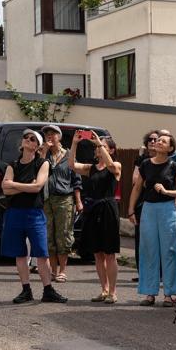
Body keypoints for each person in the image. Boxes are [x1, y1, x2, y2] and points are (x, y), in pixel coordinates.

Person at [0, 129, 67, 304]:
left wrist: (13, 185)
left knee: (42, 254)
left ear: (37, 146)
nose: (28, 140)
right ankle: (26, 290)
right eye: (25, 138)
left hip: (34, 213)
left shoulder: (42, 163)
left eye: (32, 139)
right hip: (15, 213)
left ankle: (48, 290)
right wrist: (25, 186)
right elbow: (4, 188)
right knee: (20, 254)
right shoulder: (12, 165)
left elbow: (37, 187)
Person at [128, 133, 176, 307]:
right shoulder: (145, 164)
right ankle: (149, 293)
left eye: (163, 141)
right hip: (148, 209)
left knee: (169, 250)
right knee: (148, 250)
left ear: (170, 148)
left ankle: (169, 293)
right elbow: (137, 187)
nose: (158, 142)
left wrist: (169, 193)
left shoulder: (175, 166)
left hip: (168, 209)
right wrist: (131, 209)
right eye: (158, 140)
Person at [69, 130, 122, 303]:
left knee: (109, 253)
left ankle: (113, 292)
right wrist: (75, 143)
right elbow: (72, 165)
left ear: (111, 150)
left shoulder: (116, 166)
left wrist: (99, 142)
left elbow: (112, 167)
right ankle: (104, 289)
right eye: (98, 147)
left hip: (108, 208)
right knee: (97, 253)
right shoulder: (90, 168)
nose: (98, 149)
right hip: (92, 209)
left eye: (103, 147)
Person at [40, 124, 80, 283]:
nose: (49, 136)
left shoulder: (69, 155)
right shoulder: (44, 155)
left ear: (60, 137)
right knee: (49, 235)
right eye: (47, 134)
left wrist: (78, 201)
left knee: (63, 235)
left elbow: (76, 179)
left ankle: (63, 271)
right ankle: (53, 271)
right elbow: (37, 171)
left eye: (53, 134)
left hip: (64, 199)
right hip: (46, 199)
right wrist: (43, 152)